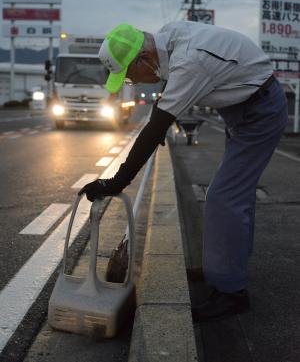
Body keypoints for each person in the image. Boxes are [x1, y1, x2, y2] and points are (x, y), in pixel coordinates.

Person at [79, 21, 288, 322]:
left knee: (224, 197)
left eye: (128, 76)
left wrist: (116, 181)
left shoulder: (189, 60)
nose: (133, 83)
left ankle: (232, 293)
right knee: (234, 194)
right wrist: (163, 120)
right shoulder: (168, 39)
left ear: (144, 58)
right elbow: (165, 106)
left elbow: (155, 125)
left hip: (261, 112)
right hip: (244, 107)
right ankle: (224, 265)